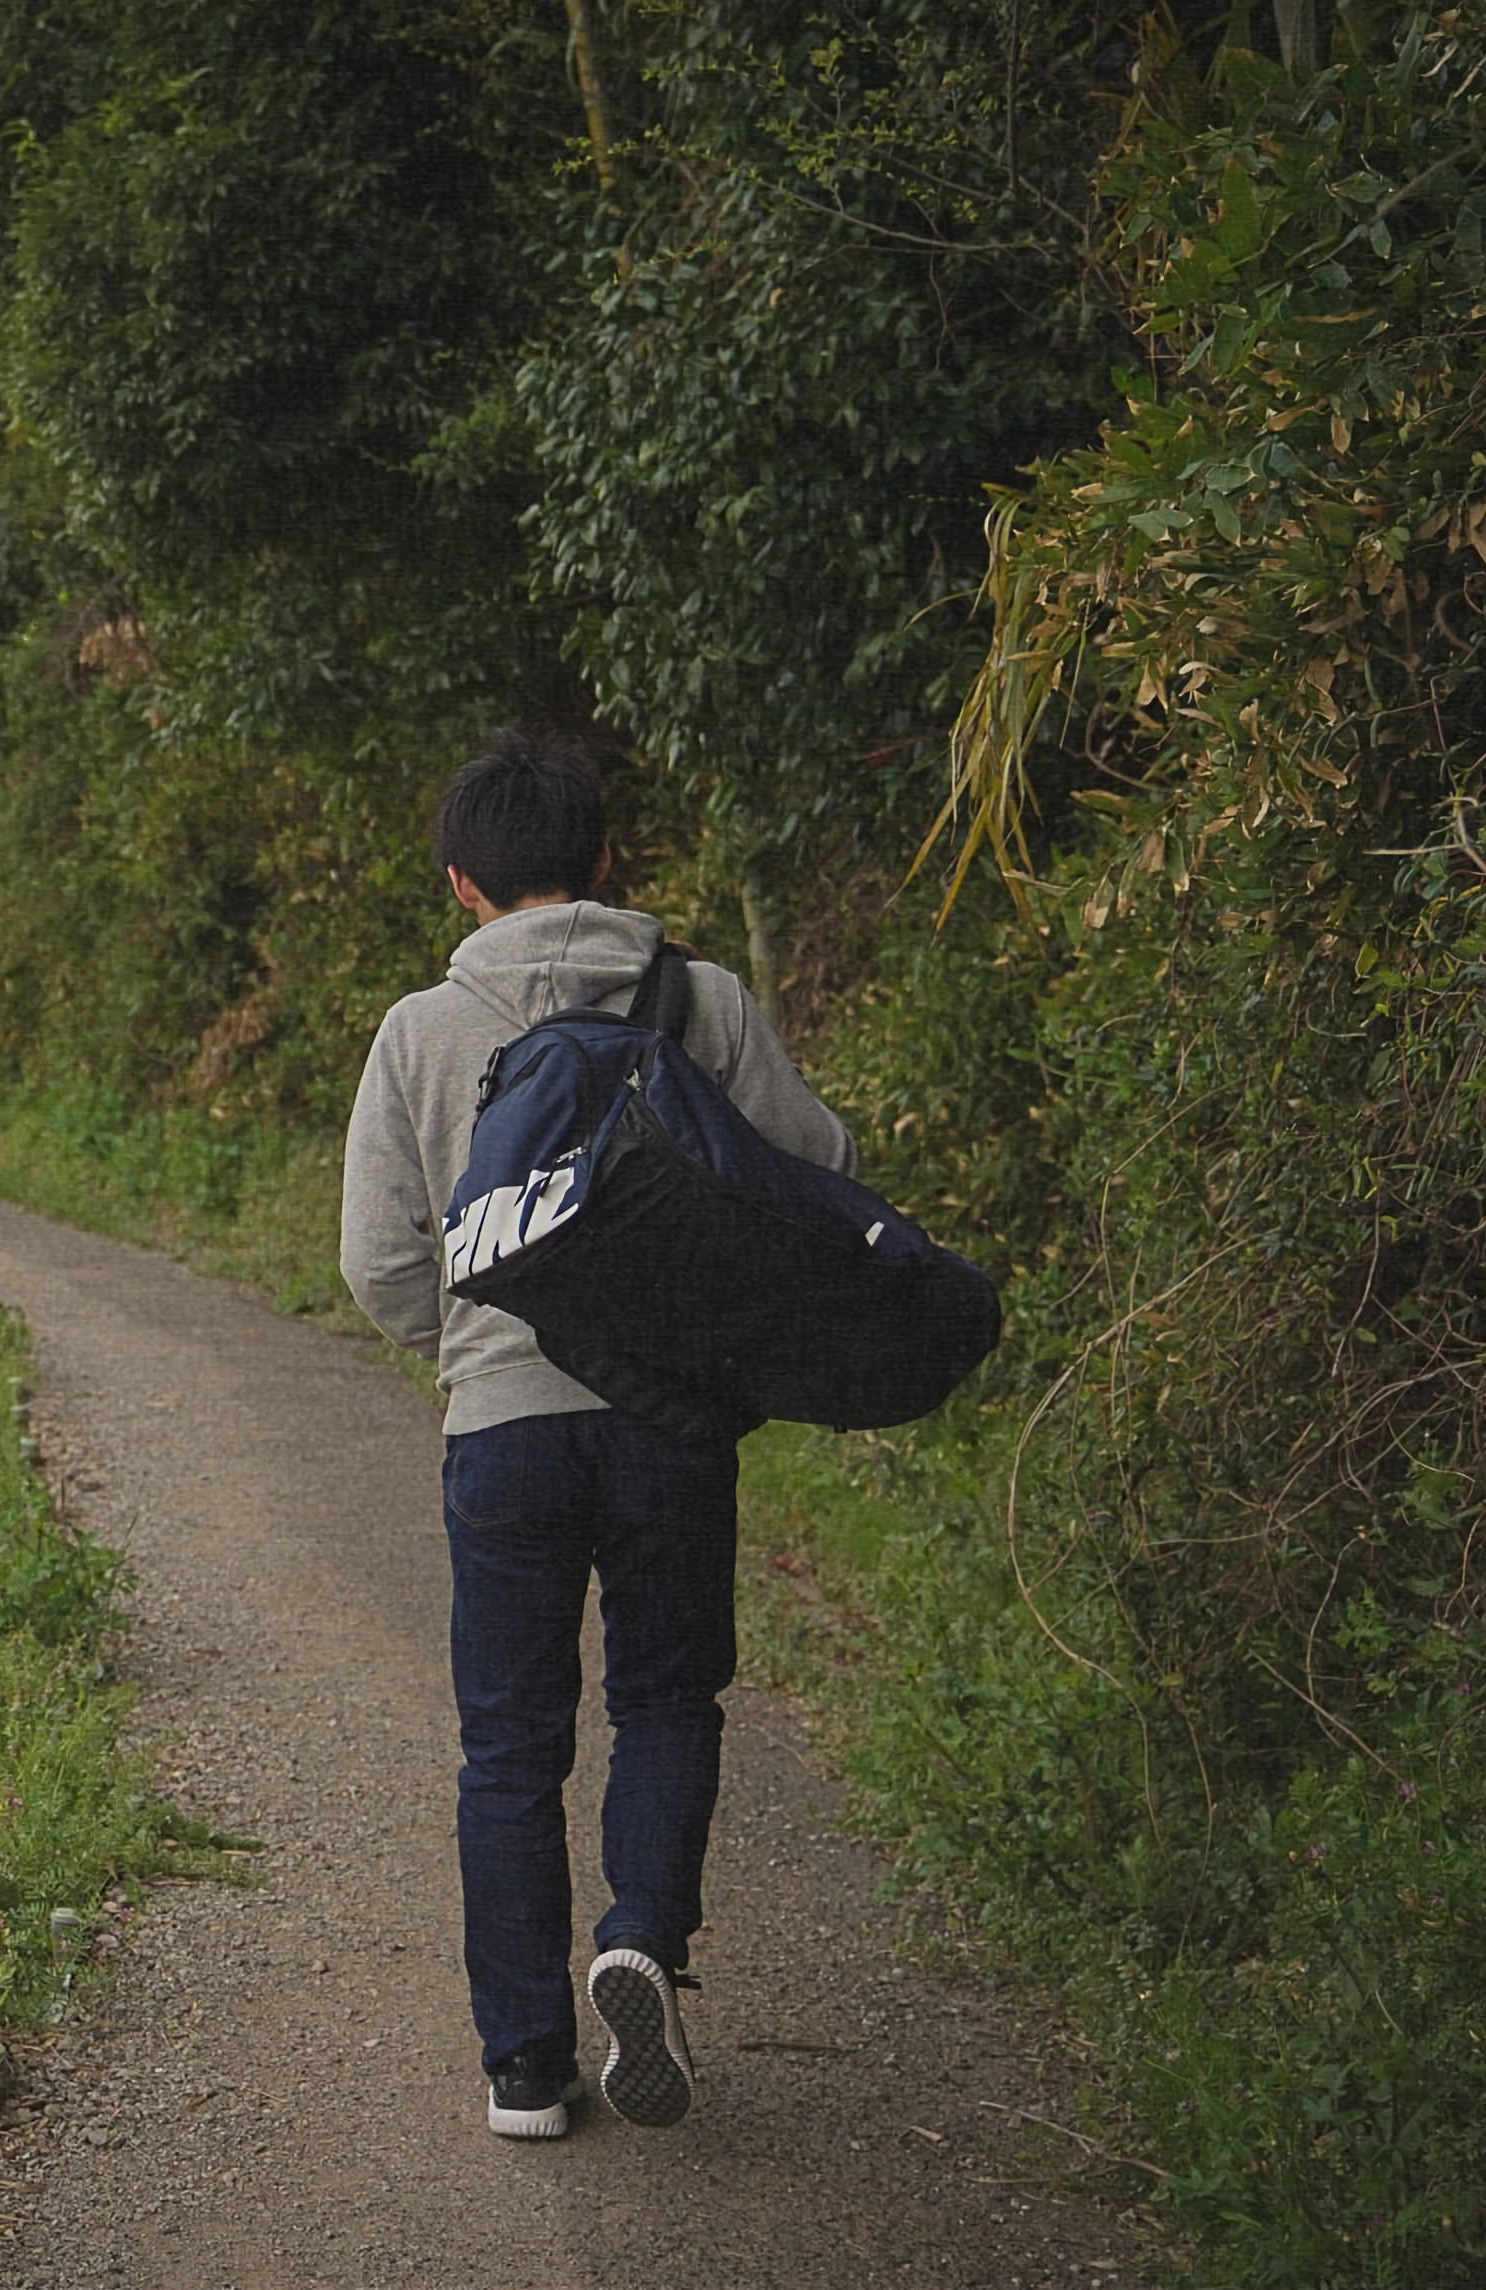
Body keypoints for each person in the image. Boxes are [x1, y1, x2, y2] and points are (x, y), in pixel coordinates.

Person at [337, 728, 855, 2140]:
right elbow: (817, 1175)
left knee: (507, 1745)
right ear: (608, 860)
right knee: (668, 1699)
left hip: (503, 1430)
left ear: (460, 882)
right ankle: (641, 1931)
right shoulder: (702, 999)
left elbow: (380, 1260)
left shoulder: (420, 1032)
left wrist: (473, 1355)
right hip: (673, 1418)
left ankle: (523, 2067)